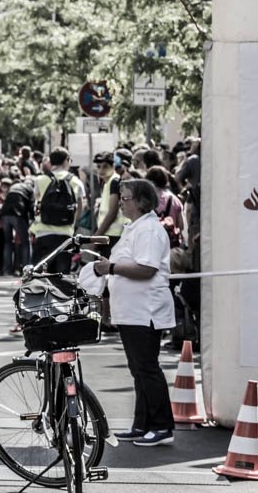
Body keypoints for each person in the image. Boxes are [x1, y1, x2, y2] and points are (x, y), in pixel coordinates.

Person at [91, 179, 175, 447]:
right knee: (139, 370)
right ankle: (142, 424)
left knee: (147, 368)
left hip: (145, 310)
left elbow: (147, 269)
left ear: (141, 201)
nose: (122, 203)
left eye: (126, 199)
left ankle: (161, 426)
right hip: (132, 311)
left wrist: (111, 268)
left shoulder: (148, 230)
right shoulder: (136, 228)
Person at [30, 148, 83, 273]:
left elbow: (37, 205)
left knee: (40, 275)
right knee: (62, 276)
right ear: (66, 161)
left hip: (43, 234)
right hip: (65, 236)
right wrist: (72, 224)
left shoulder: (40, 180)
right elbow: (80, 207)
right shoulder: (75, 181)